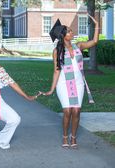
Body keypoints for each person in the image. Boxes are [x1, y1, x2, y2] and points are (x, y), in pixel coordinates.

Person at [43, 14, 98, 149]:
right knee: (67, 111)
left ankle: (73, 137)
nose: (72, 32)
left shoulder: (78, 46)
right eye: (69, 31)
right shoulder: (57, 51)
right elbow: (56, 70)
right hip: (63, 84)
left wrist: (97, 26)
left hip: (78, 83)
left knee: (76, 111)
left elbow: (94, 42)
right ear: (63, 35)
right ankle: (65, 136)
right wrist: (51, 89)